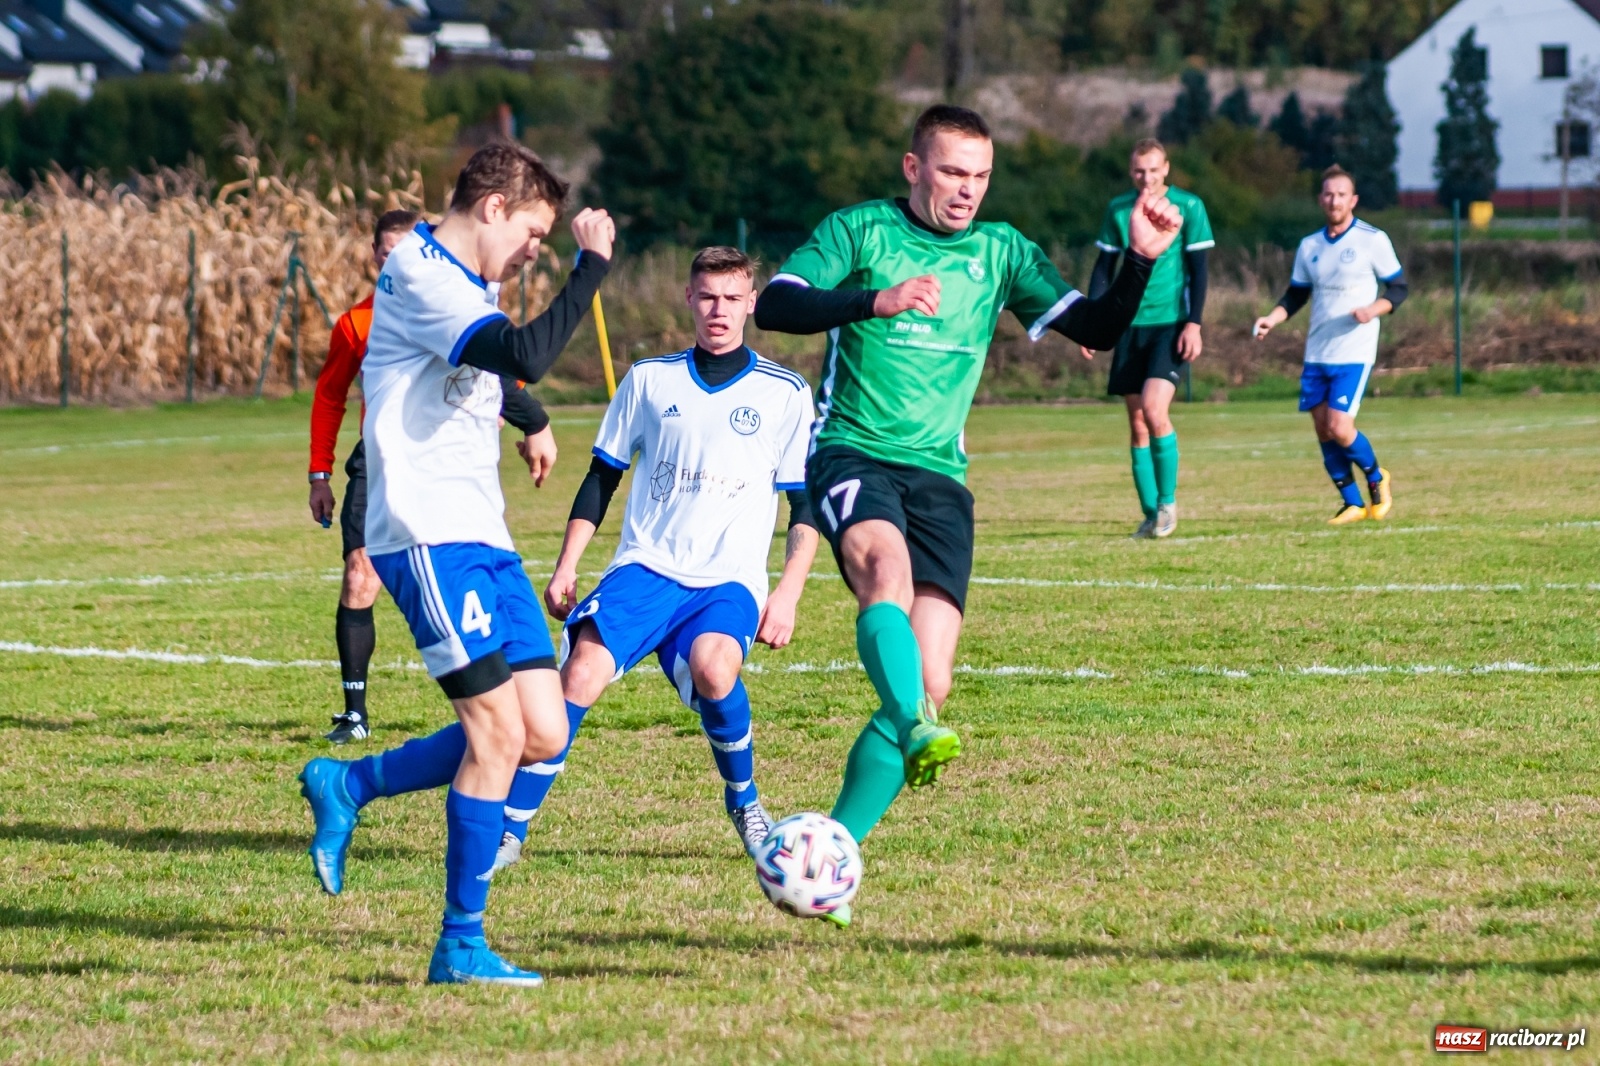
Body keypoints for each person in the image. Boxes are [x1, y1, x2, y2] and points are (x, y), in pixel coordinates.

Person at [753, 104, 1181, 925]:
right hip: (855, 452)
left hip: (943, 478)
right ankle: (912, 731)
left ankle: (830, 856)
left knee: (933, 678)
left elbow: (1092, 323)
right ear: (914, 168)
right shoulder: (861, 231)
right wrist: (874, 301)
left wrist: (1139, 261)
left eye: (981, 176)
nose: (967, 191)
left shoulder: (1002, 250)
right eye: (953, 172)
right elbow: (777, 304)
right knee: (886, 572)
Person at [294, 247, 821, 890]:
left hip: (728, 575)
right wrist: (568, 564)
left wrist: (789, 591)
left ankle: (744, 802)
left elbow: (803, 503)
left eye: (731, 298)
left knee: (715, 669)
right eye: (706, 296)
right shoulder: (650, 380)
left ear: (750, 304)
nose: (718, 310)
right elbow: (602, 477)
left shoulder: (785, 393)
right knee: (576, 677)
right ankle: (512, 825)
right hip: (646, 567)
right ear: (688, 299)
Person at [297, 142, 615, 987]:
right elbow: (523, 355)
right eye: (535, 233)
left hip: (486, 536)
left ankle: (350, 783)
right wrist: (590, 268)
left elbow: (495, 374)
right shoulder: (426, 273)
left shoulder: (471, 283)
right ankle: (459, 944)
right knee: (498, 733)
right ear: (494, 208)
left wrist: (531, 418)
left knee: (543, 731)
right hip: (427, 535)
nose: (534, 251)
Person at [308, 209, 554, 744]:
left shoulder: (457, 306)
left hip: (447, 470)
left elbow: (498, 375)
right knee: (359, 575)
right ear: (377, 258)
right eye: (389, 251)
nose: (401, 259)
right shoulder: (358, 323)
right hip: (381, 463)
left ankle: (489, 709)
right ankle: (355, 711)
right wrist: (319, 473)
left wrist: (534, 421)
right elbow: (329, 396)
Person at [1253, 165, 1405, 525]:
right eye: (1328, 194)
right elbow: (1296, 294)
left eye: (1341, 194)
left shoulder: (1372, 239)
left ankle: (1376, 477)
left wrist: (1373, 309)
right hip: (1318, 351)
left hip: (1355, 350)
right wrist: (1271, 319)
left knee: (1339, 426)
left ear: (1353, 200)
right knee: (1323, 429)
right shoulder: (1310, 246)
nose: (1334, 200)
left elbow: (1399, 289)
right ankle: (1350, 502)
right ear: (1321, 199)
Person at [1084, 139, 1214, 538]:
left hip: (1170, 324)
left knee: (1156, 412)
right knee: (1137, 423)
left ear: (1167, 169)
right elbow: (1104, 268)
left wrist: (1194, 323)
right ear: (1131, 171)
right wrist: (1091, 320)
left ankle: (1167, 504)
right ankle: (1150, 511)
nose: (1147, 177)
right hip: (1127, 326)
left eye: (1154, 170)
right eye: (1140, 170)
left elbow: (1199, 270)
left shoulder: (1188, 207)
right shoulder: (1119, 210)